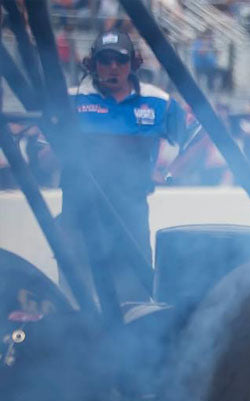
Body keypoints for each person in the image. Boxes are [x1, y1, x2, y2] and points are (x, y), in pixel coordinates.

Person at [60, 30, 186, 300]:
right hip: (79, 217)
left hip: (131, 217)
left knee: (135, 300)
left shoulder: (159, 101)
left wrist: (166, 172)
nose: (113, 67)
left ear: (133, 63)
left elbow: (192, 139)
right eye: (105, 60)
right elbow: (42, 153)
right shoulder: (71, 99)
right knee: (76, 301)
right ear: (92, 64)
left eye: (120, 60)